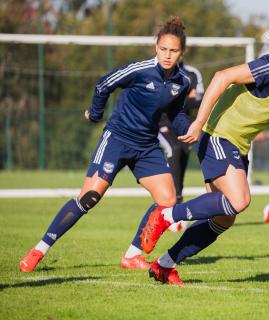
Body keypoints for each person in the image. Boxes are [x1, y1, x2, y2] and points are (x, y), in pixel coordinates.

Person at [139, 24, 269, 285]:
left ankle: (165, 265)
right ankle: (166, 216)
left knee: (223, 218)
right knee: (240, 199)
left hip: (238, 144)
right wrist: (198, 122)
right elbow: (222, 76)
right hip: (217, 134)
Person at [18, 16, 192, 272]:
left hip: (146, 146)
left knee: (167, 199)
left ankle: (131, 256)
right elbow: (103, 84)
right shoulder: (139, 70)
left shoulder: (183, 82)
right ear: (156, 47)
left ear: (182, 52)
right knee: (89, 197)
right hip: (118, 139)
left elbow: (176, 114)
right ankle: (39, 250)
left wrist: (189, 130)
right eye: (163, 49)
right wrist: (96, 115)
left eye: (173, 50)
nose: (167, 55)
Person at [157, 62, 204, 204]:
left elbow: (200, 100)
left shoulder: (192, 73)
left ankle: (178, 197)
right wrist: (186, 96)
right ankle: (171, 197)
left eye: (176, 49)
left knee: (183, 153)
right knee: (174, 149)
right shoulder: (156, 71)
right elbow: (160, 101)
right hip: (159, 123)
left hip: (182, 123)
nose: (170, 54)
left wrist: (176, 99)